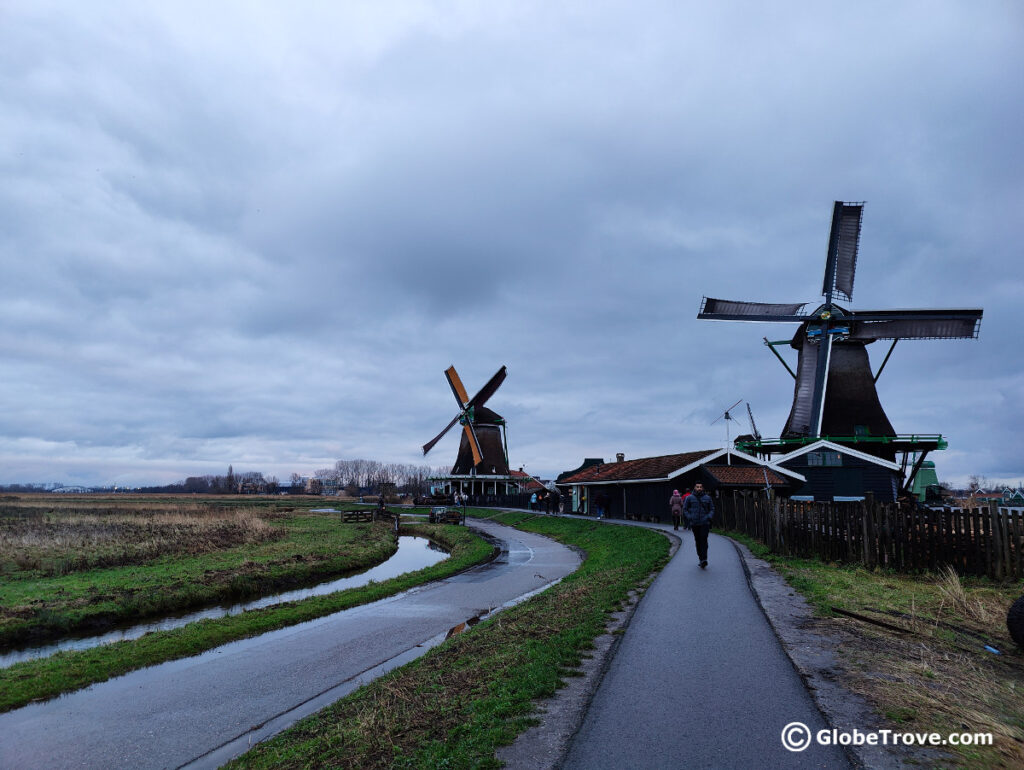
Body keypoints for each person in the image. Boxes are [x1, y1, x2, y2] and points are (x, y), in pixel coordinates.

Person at [683, 482, 714, 568]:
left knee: (704, 540)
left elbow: (712, 508)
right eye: (697, 487)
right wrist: (690, 517)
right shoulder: (689, 498)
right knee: (698, 541)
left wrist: (708, 517)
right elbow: (685, 509)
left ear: (703, 488)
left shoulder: (707, 498)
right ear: (694, 488)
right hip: (695, 523)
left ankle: (704, 559)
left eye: (700, 487)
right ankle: (700, 558)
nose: (699, 488)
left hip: (705, 523)